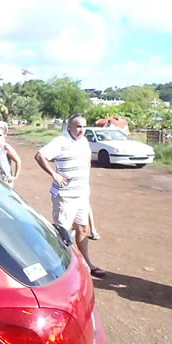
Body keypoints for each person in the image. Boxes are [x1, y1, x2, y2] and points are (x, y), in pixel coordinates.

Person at [34, 114, 105, 278]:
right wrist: (54, 174)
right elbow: (40, 155)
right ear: (69, 127)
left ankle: (87, 263)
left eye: (84, 126)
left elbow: (87, 162)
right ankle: (61, 269)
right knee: (62, 234)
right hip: (65, 196)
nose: (82, 130)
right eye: (78, 126)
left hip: (81, 195)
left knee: (82, 229)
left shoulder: (84, 142)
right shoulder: (61, 142)